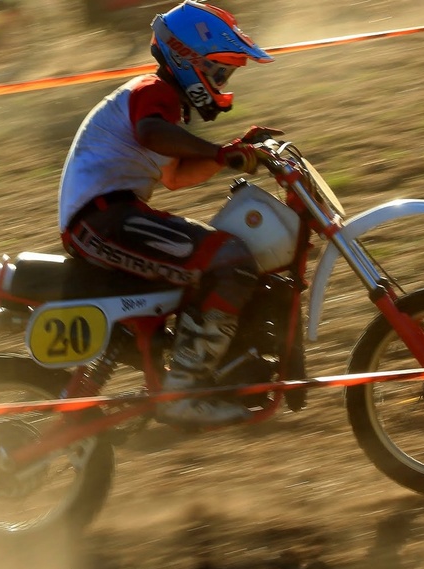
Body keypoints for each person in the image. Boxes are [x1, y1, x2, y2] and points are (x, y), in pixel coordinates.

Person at [58, 1, 277, 427]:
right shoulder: (151, 94)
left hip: (109, 217)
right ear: (189, 60)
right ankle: (184, 389)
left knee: (222, 254)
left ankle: (201, 368)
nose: (223, 81)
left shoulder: (163, 107)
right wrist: (220, 151)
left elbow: (175, 176)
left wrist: (232, 152)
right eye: (220, 71)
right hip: (101, 222)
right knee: (229, 260)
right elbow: (151, 134)